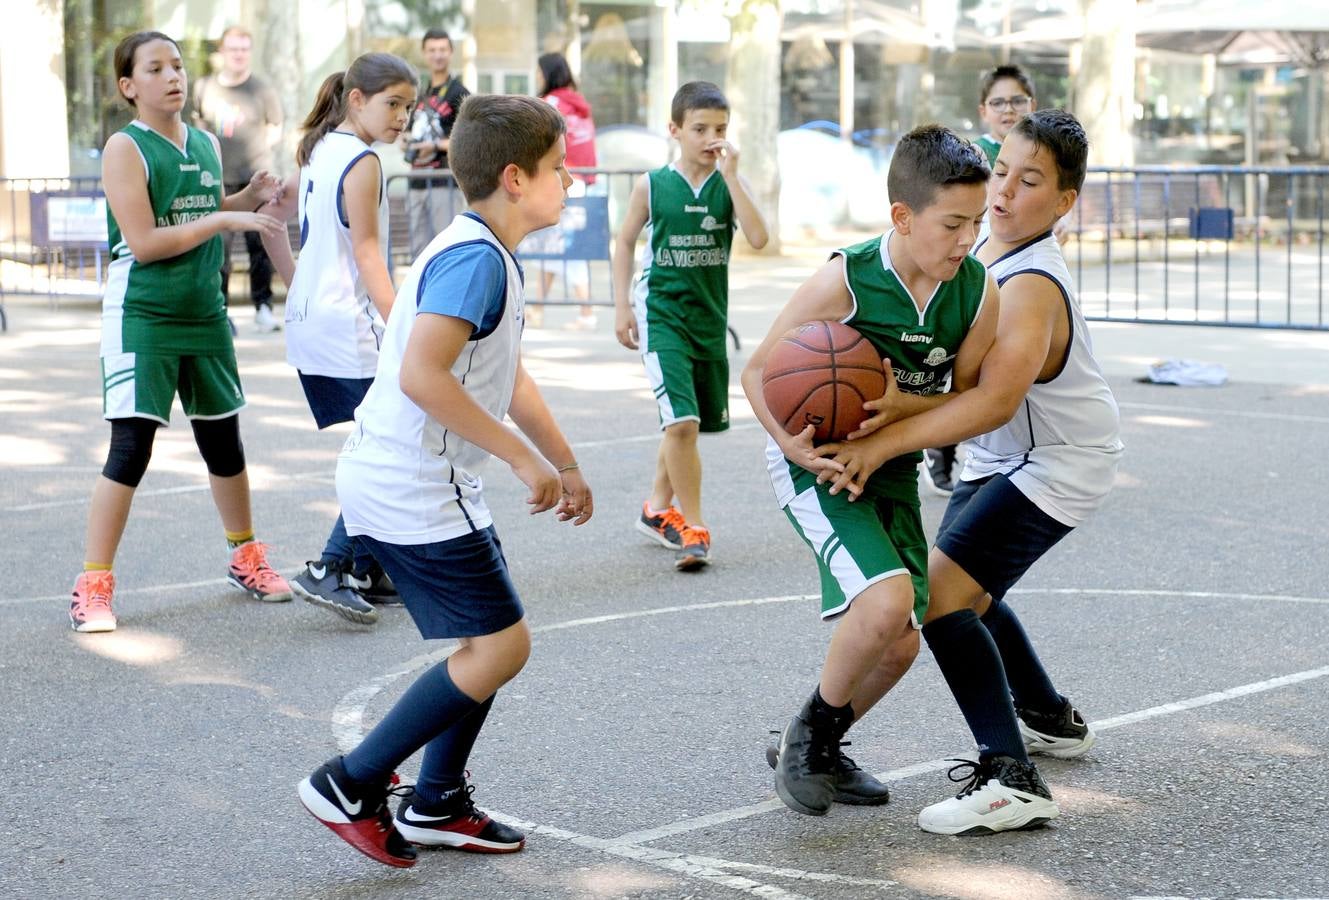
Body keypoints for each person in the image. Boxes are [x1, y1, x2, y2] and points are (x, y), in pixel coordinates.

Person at [297, 94, 593, 867]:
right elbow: (425, 375)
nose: (572, 182)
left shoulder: (484, 249)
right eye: (560, 170)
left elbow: (507, 375)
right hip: (414, 481)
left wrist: (561, 460)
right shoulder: (473, 259)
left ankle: (435, 801)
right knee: (500, 647)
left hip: (416, 476)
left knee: (484, 636)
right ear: (516, 178)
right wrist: (519, 457)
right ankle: (350, 782)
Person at [816, 110, 1122, 835]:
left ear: (1065, 202)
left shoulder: (1030, 284)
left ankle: (1009, 775)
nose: (1007, 191)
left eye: (1031, 181)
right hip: (1005, 456)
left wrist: (883, 438)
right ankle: (1049, 716)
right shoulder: (980, 245)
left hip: (1057, 460)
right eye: (1004, 170)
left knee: (941, 594)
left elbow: (990, 400)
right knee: (966, 591)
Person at [739, 125, 996, 816]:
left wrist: (901, 406)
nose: (966, 237)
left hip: (889, 462)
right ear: (902, 217)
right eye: (951, 223)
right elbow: (760, 369)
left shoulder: (975, 291)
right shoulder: (845, 278)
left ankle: (815, 739)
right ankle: (810, 742)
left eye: (976, 221)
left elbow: (965, 398)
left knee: (899, 646)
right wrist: (793, 447)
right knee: (882, 605)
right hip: (816, 462)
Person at [69, 31, 292, 634]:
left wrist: (247, 195)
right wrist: (223, 216)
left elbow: (199, 204)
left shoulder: (207, 143)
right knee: (131, 448)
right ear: (128, 86)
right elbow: (144, 241)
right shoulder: (125, 147)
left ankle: (245, 556)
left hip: (205, 314)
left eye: (178, 66)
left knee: (225, 442)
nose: (173, 76)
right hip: (144, 315)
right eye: (155, 68)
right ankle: (93, 584)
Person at [259, 54, 418, 626]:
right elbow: (368, 253)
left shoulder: (319, 150)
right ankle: (332, 567)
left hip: (312, 322)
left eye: (408, 106)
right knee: (392, 448)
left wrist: (297, 290)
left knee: (388, 443)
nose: (402, 116)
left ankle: (365, 570)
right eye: (392, 103)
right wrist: (405, 329)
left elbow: (274, 218)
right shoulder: (364, 160)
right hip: (348, 328)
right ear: (357, 99)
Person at [613, 81, 769, 571]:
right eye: (699, 128)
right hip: (661, 313)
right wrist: (621, 307)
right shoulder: (653, 184)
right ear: (675, 130)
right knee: (682, 422)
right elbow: (623, 243)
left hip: (708, 319)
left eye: (720, 129)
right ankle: (694, 529)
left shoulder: (728, 185)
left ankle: (656, 509)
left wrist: (735, 177)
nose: (710, 137)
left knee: (685, 424)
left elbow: (761, 238)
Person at [920, 64, 1040, 497]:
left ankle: (981, 446)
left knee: (995, 366)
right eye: (999, 102)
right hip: (969, 272)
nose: (1009, 109)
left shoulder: (1037, 154)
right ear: (984, 110)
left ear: (1032, 105)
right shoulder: (974, 157)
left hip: (1011, 273)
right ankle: (940, 444)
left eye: (1017, 101)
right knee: (956, 365)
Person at [190, 25, 285, 333]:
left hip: (255, 178)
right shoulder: (205, 87)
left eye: (244, 48)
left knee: (260, 245)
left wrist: (258, 155)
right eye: (233, 48)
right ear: (222, 52)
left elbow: (275, 128)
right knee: (219, 249)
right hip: (219, 178)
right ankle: (221, 309)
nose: (239, 54)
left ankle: (263, 307)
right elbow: (198, 128)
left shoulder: (262, 89)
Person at [520, 51, 600, 331]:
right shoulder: (579, 105)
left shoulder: (550, 105)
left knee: (568, 248)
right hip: (584, 182)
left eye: (540, 72)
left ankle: (587, 312)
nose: (538, 77)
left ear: (548, 74)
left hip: (564, 182)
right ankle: (538, 309)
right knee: (552, 246)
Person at [402, 28, 470, 257]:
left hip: (444, 182)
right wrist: (405, 142)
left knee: (447, 247)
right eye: (432, 50)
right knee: (418, 251)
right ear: (424, 53)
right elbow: (409, 131)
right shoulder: (420, 93)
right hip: (416, 181)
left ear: (451, 52)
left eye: (442, 50)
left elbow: (469, 139)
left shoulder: (460, 92)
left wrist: (435, 146)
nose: (437, 55)